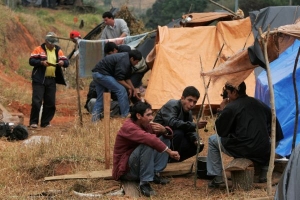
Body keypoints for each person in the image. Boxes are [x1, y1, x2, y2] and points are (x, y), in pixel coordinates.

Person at [206, 81, 284, 188]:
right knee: (268, 141)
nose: (227, 96)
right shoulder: (260, 104)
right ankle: (264, 171)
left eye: (228, 93)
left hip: (243, 149)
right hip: (263, 150)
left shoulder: (231, 107)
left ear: (234, 92)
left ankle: (218, 177)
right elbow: (277, 133)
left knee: (212, 140)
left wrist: (222, 111)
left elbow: (221, 131)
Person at [112, 101, 180, 197]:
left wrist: (164, 130)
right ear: (139, 116)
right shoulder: (128, 127)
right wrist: (169, 151)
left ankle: (154, 174)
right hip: (125, 171)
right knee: (147, 144)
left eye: (151, 114)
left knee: (164, 137)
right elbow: (149, 139)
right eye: (148, 115)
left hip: (136, 165)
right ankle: (144, 183)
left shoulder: (145, 124)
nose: (151, 118)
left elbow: (160, 136)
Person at [153, 86, 207, 162]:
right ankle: (166, 160)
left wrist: (195, 139)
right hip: (160, 138)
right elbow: (172, 122)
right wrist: (195, 125)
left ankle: (175, 160)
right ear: (182, 98)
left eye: (194, 102)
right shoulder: (172, 104)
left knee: (198, 145)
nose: (192, 104)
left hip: (173, 139)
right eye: (189, 100)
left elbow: (189, 129)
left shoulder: (189, 112)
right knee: (179, 133)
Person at [29, 32, 69, 128]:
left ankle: (45, 122)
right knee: (37, 101)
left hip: (51, 79)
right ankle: (33, 122)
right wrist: (42, 62)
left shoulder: (58, 50)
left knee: (50, 102)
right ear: (46, 41)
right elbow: (31, 61)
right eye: (51, 43)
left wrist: (62, 62)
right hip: (39, 79)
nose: (52, 45)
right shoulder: (38, 49)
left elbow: (67, 62)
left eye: (54, 43)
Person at [91, 50, 142, 122]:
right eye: (136, 61)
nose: (137, 63)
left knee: (101, 98)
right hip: (102, 74)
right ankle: (125, 115)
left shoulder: (126, 59)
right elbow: (119, 79)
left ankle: (94, 121)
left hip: (96, 74)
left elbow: (127, 78)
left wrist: (133, 89)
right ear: (132, 58)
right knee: (121, 90)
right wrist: (129, 87)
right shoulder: (124, 62)